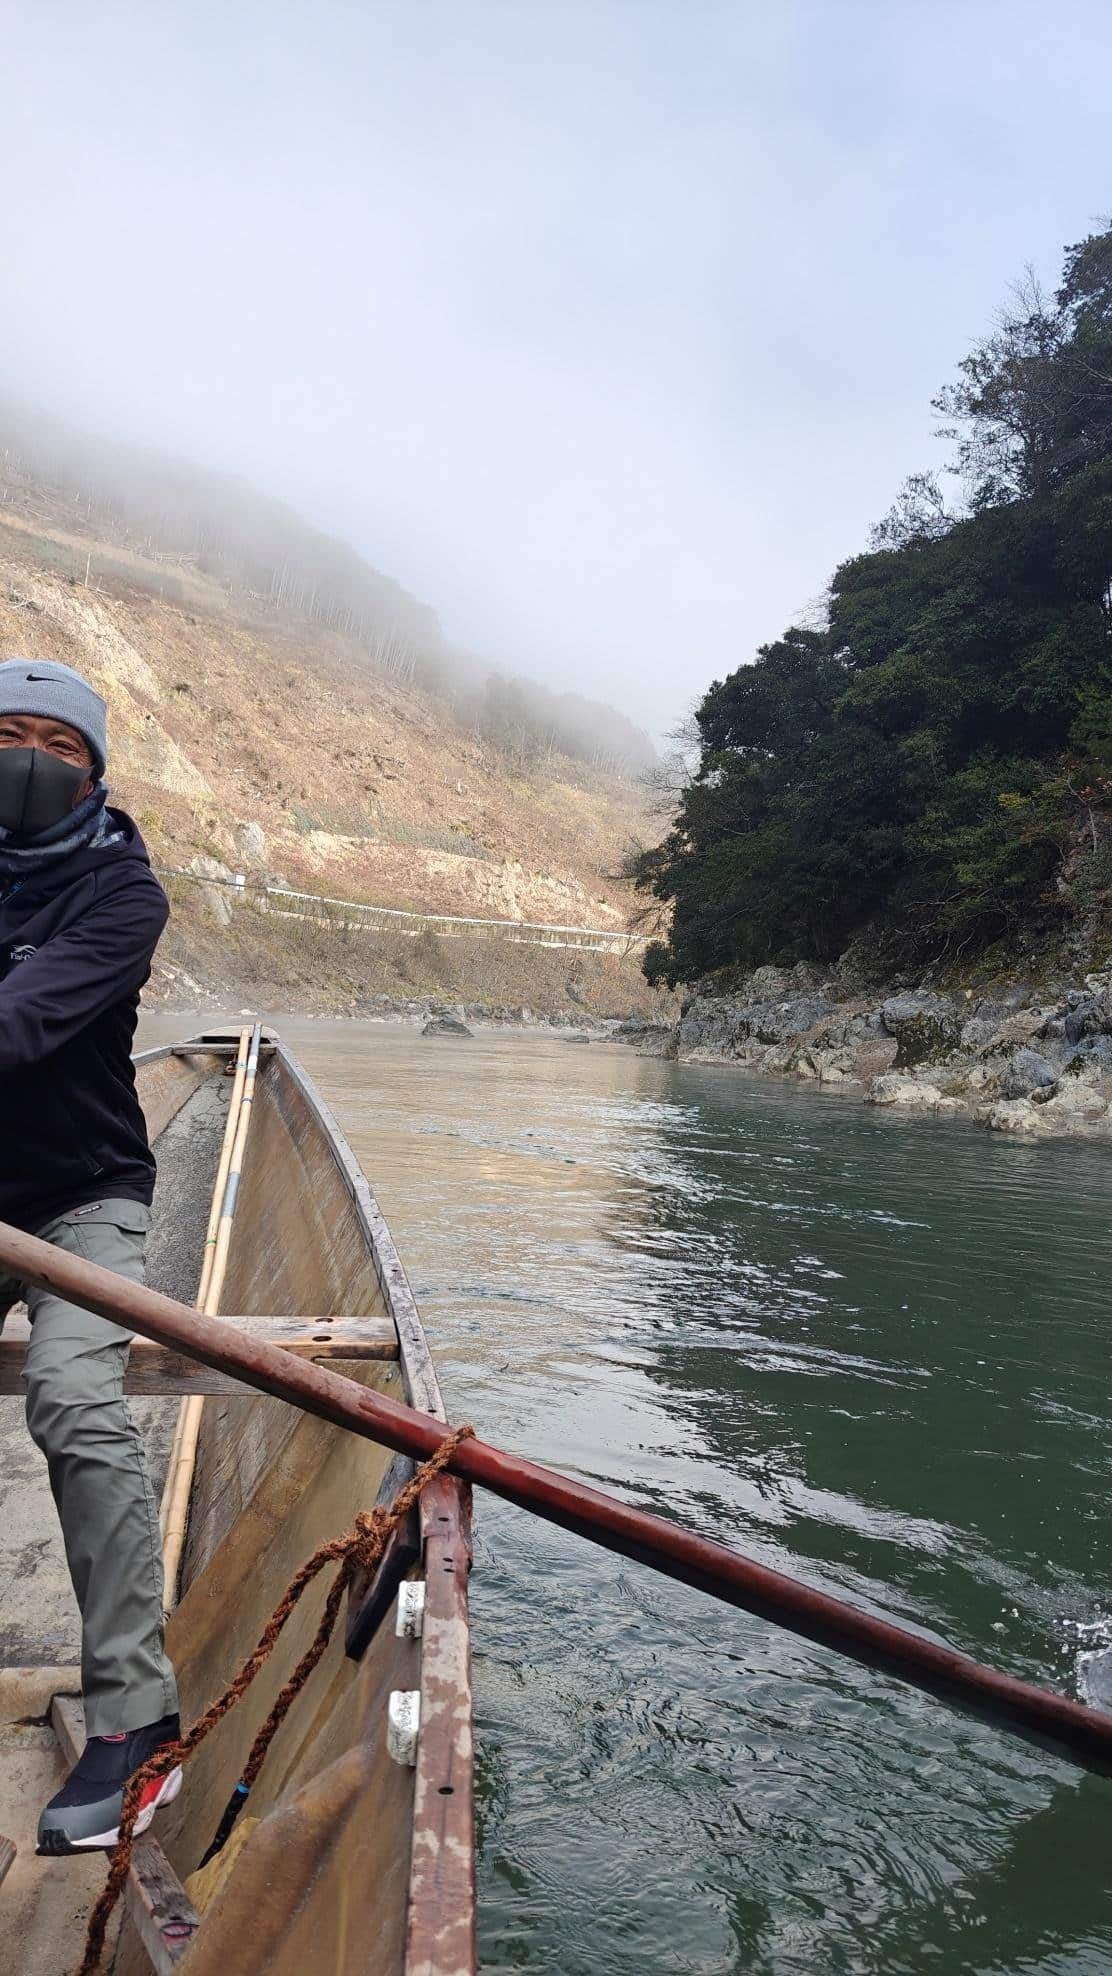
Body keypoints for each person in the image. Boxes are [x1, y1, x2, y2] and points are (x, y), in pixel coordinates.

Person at [0, 658, 181, 1853]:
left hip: (82, 1199)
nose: (28, 761)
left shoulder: (124, 892)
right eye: (7, 735)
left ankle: (137, 1713)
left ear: (94, 771)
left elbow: (23, 1023)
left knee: (72, 1396)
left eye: (56, 745)